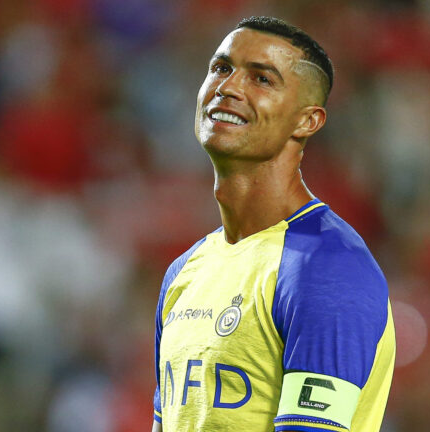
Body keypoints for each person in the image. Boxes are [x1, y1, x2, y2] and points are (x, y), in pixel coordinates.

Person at [152, 16, 395, 432]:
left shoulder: (326, 266)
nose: (228, 87)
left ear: (307, 121)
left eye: (261, 79)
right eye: (221, 68)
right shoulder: (184, 272)